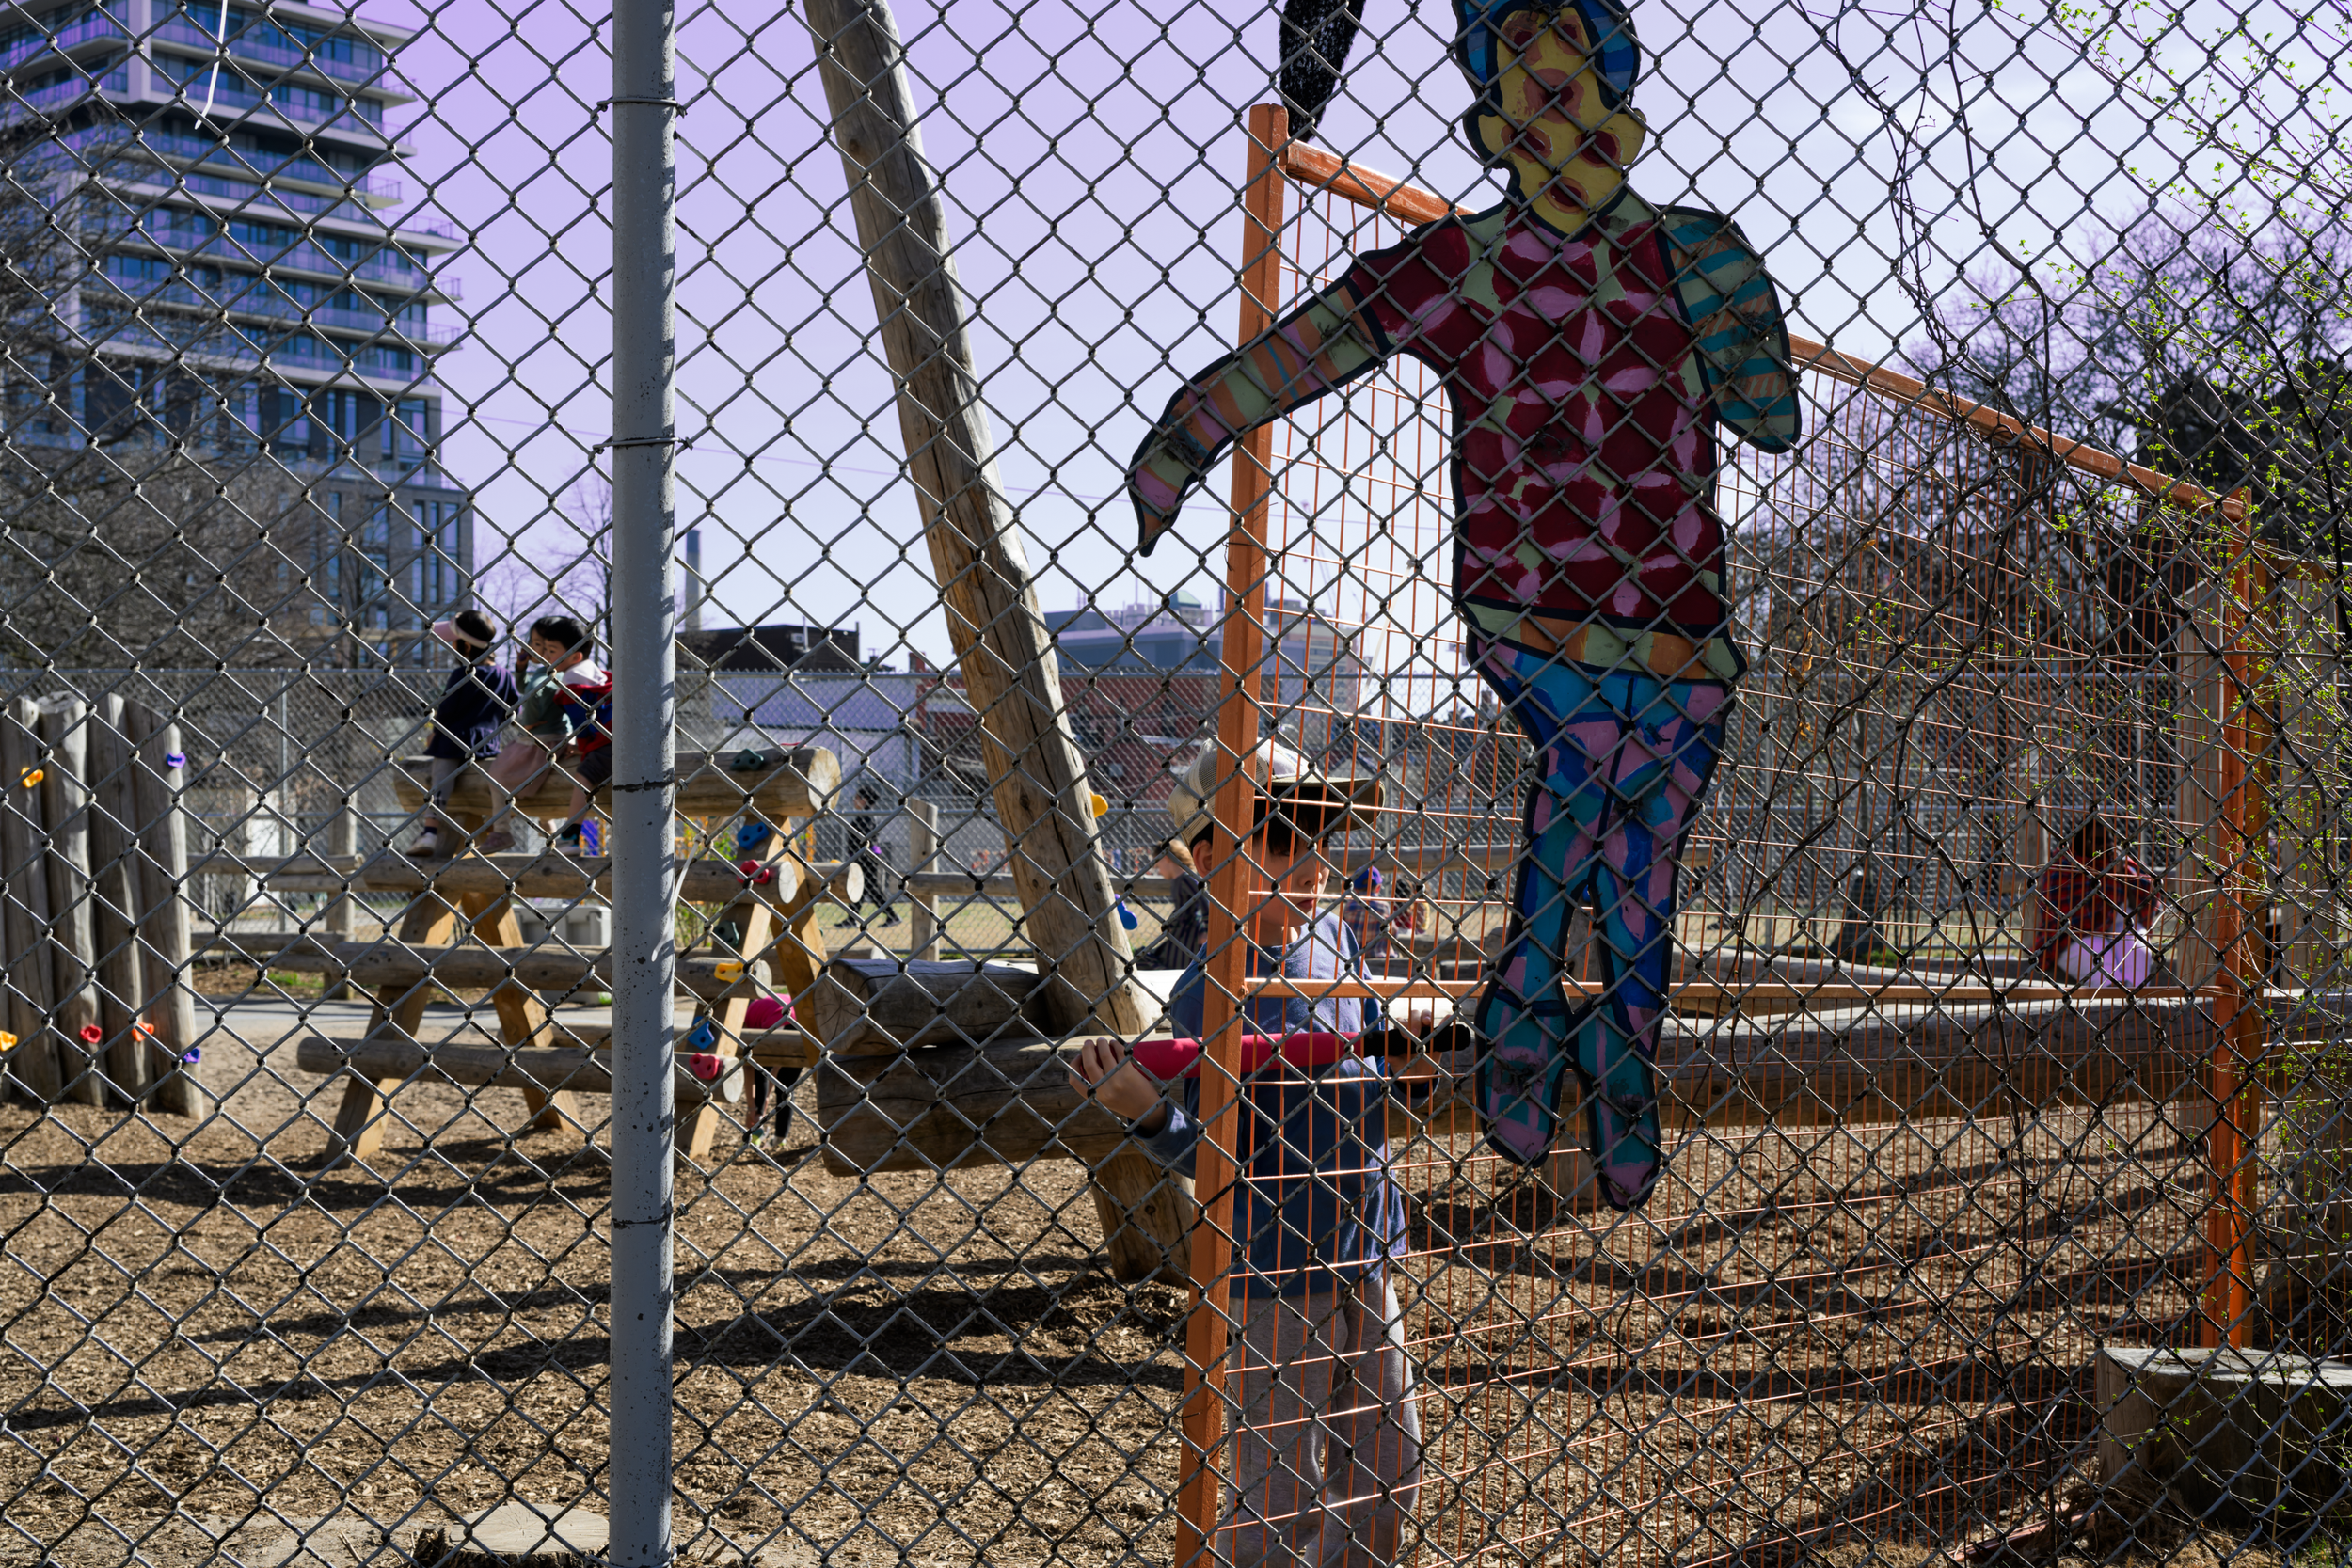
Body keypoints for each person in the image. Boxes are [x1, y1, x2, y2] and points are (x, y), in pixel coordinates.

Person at [1123, 0, 1800, 1207]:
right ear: (1492, 122)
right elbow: (1312, 345)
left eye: (1572, 86)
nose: (1550, 111)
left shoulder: (1696, 252)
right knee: (1601, 787)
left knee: (1635, 857)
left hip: (1680, 625)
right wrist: (1187, 432)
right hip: (1537, 614)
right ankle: (1567, 1040)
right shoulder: (1459, 265)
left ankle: (1558, 1024)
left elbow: (1770, 416)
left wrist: (1730, 318)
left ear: (1618, 106)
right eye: (1525, 93)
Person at [1070, 743, 1421, 1568]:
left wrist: (1406, 1061)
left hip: (1366, 1243)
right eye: (1285, 839)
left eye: (1323, 835)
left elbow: (1371, 1065)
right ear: (1210, 858)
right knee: (1277, 1492)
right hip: (1278, 1272)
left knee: (1391, 1464)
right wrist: (1150, 1112)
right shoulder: (1212, 989)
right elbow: (1214, 1154)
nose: (1316, 861)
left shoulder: (1336, 939)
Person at [479, 614, 605, 853]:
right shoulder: (545, 671)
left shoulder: (562, 675)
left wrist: (531, 711)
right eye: (536, 644)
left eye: (544, 646)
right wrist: (521, 668)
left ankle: (501, 831)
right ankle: (549, 835)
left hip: (546, 740)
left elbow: (544, 694)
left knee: (498, 775)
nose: (535, 649)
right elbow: (525, 688)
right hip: (534, 738)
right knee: (519, 781)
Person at [406, 610, 517, 859]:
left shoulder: (462, 674)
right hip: (487, 744)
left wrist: (435, 734)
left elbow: (446, 711)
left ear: (466, 647)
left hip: (451, 741)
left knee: (440, 780)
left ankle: (430, 831)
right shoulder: (504, 675)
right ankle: (492, 829)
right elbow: (514, 710)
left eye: (454, 643)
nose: (452, 648)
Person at [2031, 816, 2160, 986]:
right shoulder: (2063, 865)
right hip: (2075, 934)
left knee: (2139, 951)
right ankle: (2112, 993)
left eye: (2108, 841)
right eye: (2096, 841)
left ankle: (2136, 995)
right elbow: (2069, 913)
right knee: (2099, 958)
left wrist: (2123, 874)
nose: (2103, 846)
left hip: (2119, 924)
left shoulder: (2119, 861)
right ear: (2080, 841)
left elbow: (2148, 896)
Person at [548, 642, 615, 856]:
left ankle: (570, 836)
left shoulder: (571, 680)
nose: (545, 655)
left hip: (609, 741)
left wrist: (582, 747)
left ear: (575, 656)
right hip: (622, 734)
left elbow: (582, 722)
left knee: (585, 775)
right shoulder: (593, 670)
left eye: (551, 650)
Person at [1136, 835, 1207, 969]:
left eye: (1158, 865)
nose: (1158, 870)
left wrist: (1207, 931)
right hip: (1179, 934)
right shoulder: (1177, 881)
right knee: (1145, 957)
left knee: (1158, 962)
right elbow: (1183, 907)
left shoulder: (1187, 879)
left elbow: (1204, 901)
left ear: (1166, 858)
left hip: (1188, 936)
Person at [837, 788, 901, 927]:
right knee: (863, 887)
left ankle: (892, 916)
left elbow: (867, 840)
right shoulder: (864, 816)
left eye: (857, 798)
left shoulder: (867, 818)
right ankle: (852, 918)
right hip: (862, 857)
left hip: (867, 857)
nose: (854, 801)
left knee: (871, 888)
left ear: (864, 800)